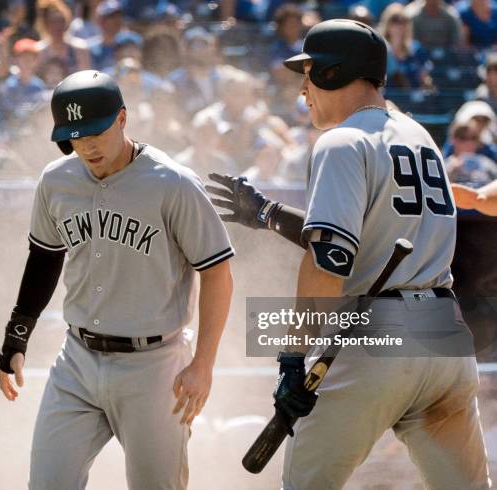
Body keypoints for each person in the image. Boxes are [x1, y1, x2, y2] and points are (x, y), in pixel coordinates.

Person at [207, 19, 490, 489]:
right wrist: (270, 213)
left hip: (378, 337)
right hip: (444, 335)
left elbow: (330, 263)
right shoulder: (421, 138)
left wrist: (293, 357)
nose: (303, 89)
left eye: (310, 72)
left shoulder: (340, 141)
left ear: (336, 72)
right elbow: (370, 240)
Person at [0, 70, 234, 489]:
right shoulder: (56, 180)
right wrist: (17, 334)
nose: (85, 144)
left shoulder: (172, 183)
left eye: (95, 131)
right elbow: (45, 258)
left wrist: (204, 365)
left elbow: (216, 272)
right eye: (74, 134)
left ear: (122, 119)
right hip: (77, 362)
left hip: (155, 367)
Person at [379, 3, 432, 89]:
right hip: (386, 98)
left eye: (403, 21)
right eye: (395, 20)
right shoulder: (379, 49)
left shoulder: (416, 49)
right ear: (387, 23)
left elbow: (425, 78)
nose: (400, 25)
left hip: (412, 98)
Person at [34, 0, 90, 75]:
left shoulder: (80, 49)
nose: (58, 26)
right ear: (46, 25)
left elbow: (86, 77)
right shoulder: (39, 51)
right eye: (53, 22)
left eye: (61, 21)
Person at [444, 120, 497, 186]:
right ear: (453, 140)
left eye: (473, 138)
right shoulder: (443, 166)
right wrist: (451, 172)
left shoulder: (488, 164)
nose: (469, 142)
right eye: (463, 137)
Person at [87, 0, 126, 71]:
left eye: (119, 15)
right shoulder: (90, 48)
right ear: (101, 21)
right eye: (111, 16)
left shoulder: (129, 43)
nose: (117, 20)